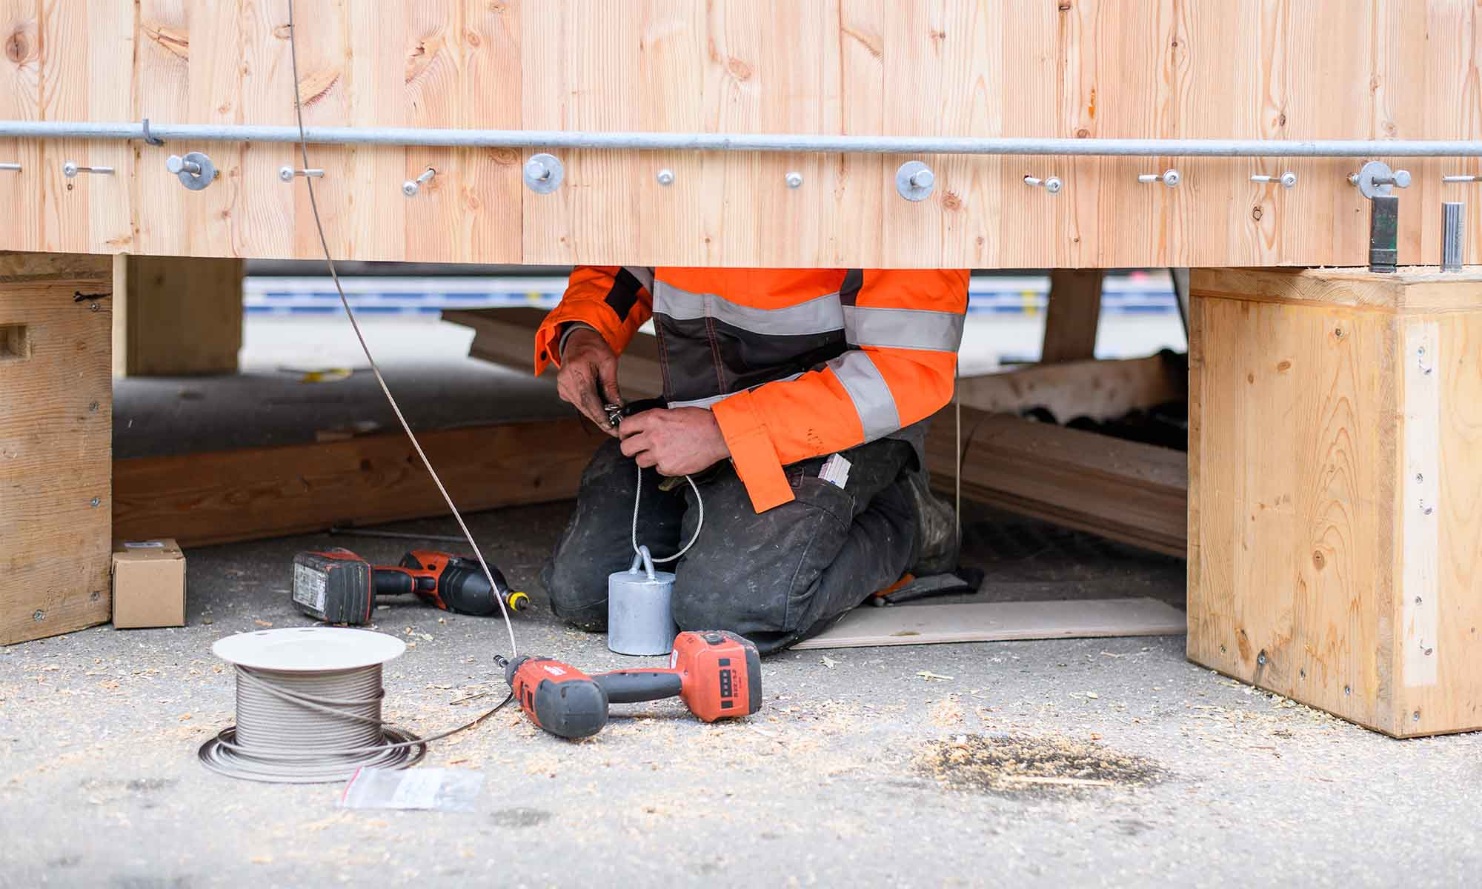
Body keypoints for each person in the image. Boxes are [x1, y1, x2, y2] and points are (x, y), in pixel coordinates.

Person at [534, 267, 969, 653]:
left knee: (732, 614)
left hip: (838, 427)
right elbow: (627, 260)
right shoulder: (671, 175)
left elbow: (909, 367)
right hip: (699, 414)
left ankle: (908, 521)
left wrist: (725, 430)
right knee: (587, 594)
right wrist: (585, 331)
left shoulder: (888, 184)